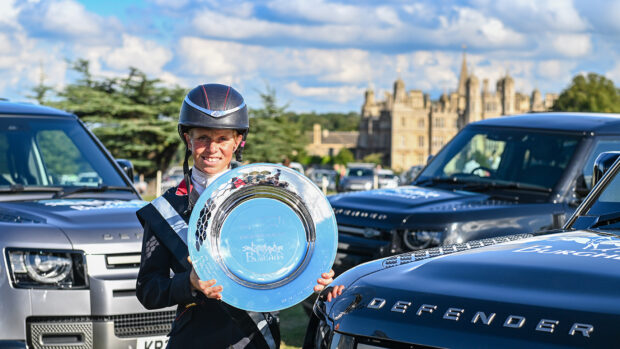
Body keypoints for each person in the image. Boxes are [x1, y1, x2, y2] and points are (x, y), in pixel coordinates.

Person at [135, 84, 343, 348]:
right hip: (195, 340)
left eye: (222, 139)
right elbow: (148, 290)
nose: (212, 148)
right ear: (188, 140)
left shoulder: (267, 197)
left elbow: (284, 264)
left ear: (238, 141)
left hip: (256, 340)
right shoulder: (165, 210)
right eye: (202, 138)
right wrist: (189, 284)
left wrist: (316, 284)